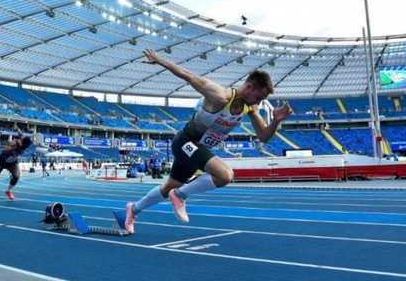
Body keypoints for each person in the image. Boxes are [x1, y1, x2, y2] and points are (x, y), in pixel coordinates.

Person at [124, 49, 292, 234]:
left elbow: (263, 137)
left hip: (197, 150)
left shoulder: (249, 107)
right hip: (185, 141)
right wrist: (159, 60)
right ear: (250, 87)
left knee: (168, 187)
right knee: (225, 175)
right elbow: (188, 76)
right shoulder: (220, 96)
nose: (259, 102)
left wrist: (276, 121)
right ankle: (179, 196)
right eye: (259, 97)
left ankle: (134, 209)